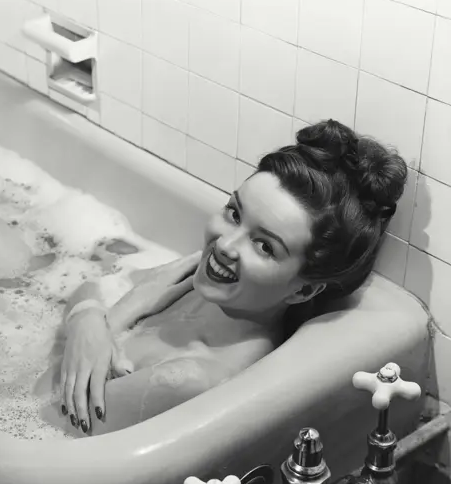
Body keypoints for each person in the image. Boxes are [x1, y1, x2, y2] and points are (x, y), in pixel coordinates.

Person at [48, 119, 407, 437]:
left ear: (305, 290)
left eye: (265, 247)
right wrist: (88, 321)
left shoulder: (187, 379)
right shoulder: (214, 284)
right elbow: (89, 287)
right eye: (235, 213)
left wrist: (104, 320)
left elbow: (45, 415)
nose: (224, 244)